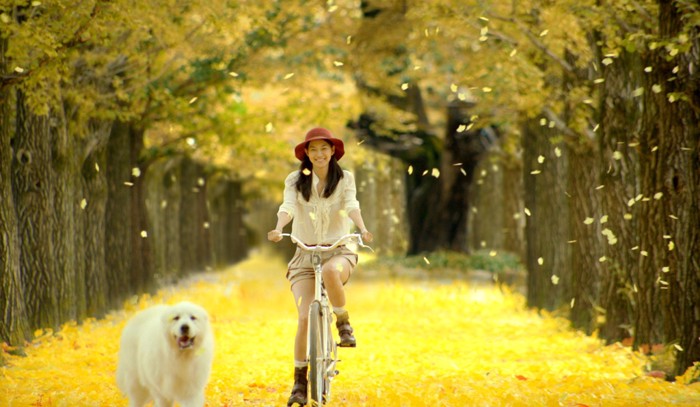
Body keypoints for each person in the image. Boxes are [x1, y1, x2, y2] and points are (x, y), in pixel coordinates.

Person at [267, 127, 373, 407]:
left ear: (333, 151)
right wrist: (279, 227)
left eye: (324, 148)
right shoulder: (295, 180)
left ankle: (343, 322)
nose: (319, 154)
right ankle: (300, 383)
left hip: (338, 252)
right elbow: (287, 207)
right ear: (306, 154)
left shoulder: (344, 178)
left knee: (329, 272)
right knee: (304, 317)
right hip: (304, 256)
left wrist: (362, 228)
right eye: (313, 149)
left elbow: (351, 205)